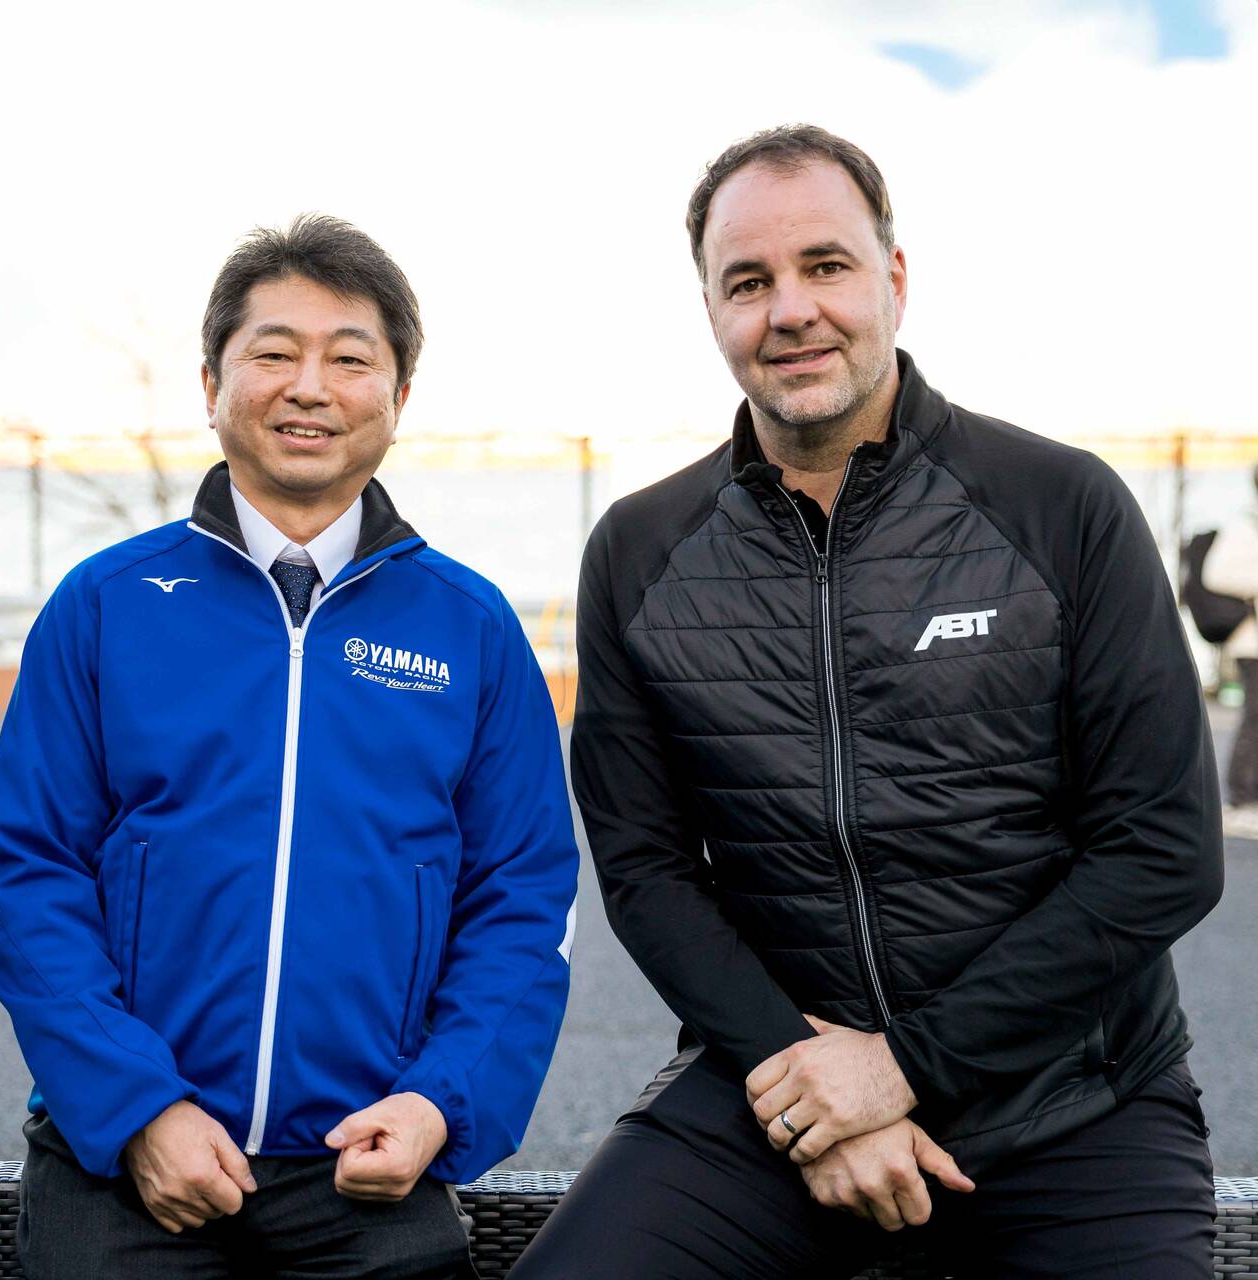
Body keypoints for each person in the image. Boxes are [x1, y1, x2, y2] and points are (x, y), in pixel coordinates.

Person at [514, 124, 1224, 1278]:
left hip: (1075, 1098)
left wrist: (899, 1068)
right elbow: (646, 868)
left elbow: (1165, 849)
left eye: (825, 265)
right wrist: (810, 1085)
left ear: (894, 277)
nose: (790, 309)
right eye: (749, 281)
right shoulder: (641, 550)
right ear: (711, 309)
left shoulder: (1061, 505)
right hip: (777, 1084)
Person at [0, 214, 578, 1279]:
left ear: (399, 397)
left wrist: (438, 1103)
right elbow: (29, 873)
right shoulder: (105, 604)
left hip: (364, 1152)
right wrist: (138, 1108)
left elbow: (524, 897)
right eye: (273, 353)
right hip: (125, 1151)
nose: (310, 387)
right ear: (212, 383)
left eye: (350, 358)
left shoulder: (472, 627)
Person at [1203, 464, 1258, 829]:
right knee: (1255, 718)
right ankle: (1243, 797)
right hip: (1251, 644)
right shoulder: (1245, 526)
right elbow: (1215, 574)